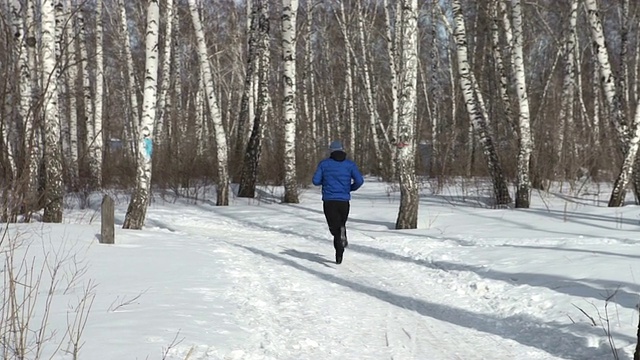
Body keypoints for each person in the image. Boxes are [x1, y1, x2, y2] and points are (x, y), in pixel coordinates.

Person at [312, 140, 364, 264]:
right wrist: (350, 188)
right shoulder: (349, 165)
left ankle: (339, 250)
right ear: (342, 150)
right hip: (344, 201)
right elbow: (360, 181)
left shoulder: (324, 164)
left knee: (334, 228)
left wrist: (325, 180)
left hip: (329, 200)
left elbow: (315, 181)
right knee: (341, 224)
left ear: (331, 151)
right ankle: (339, 251)